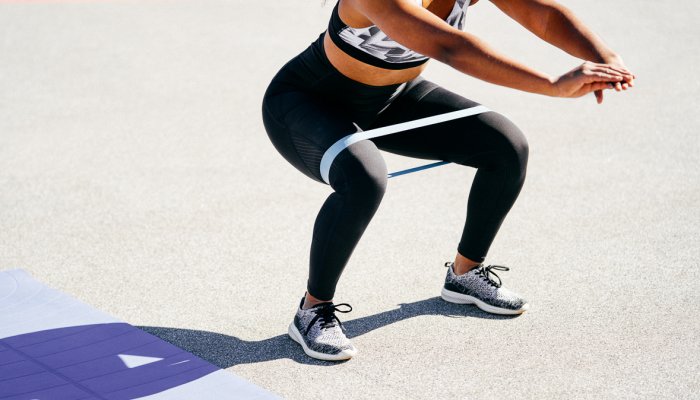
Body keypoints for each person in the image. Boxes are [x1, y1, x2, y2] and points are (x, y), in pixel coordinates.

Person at [261, 0, 634, 361]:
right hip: (308, 103)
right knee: (363, 177)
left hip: (392, 98)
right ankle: (312, 310)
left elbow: (544, 15)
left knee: (506, 147)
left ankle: (464, 274)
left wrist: (606, 57)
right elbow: (450, 47)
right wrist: (552, 85)